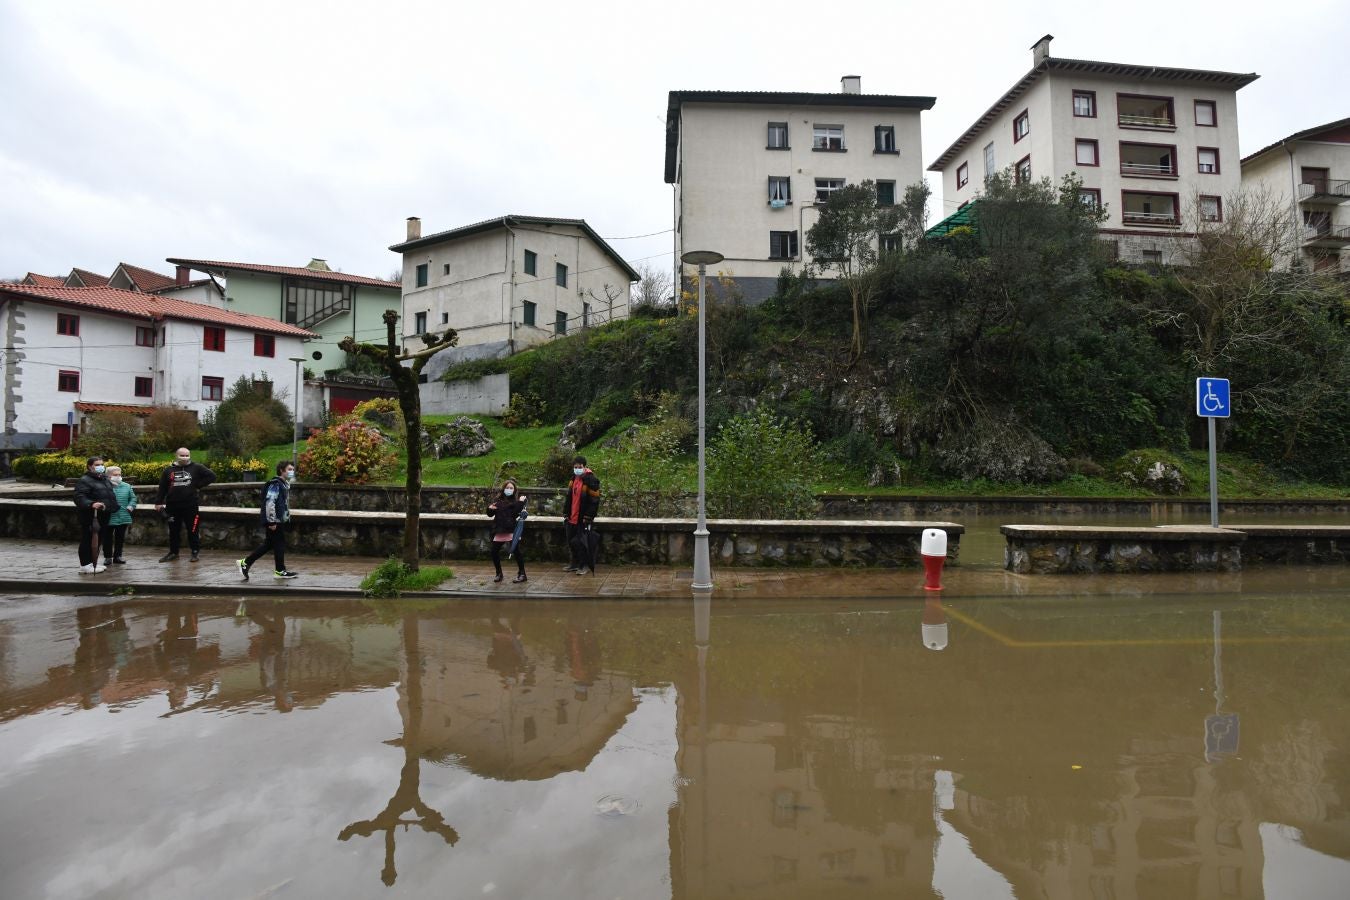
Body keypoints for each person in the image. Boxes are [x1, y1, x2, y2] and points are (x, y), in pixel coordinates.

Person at [238, 460, 298, 580]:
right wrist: (272, 521)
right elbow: (270, 503)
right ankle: (279, 571)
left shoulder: (283, 484)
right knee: (278, 544)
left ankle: (246, 563)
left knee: (270, 544)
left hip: (278, 520)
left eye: (293, 469)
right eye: (289, 469)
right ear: (281, 470)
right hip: (274, 521)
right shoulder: (276, 484)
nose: (292, 472)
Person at [154, 447, 215, 562]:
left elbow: (212, 476)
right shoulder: (168, 470)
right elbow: (162, 487)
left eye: (187, 455)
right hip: (172, 506)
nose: (185, 458)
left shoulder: (197, 467)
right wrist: (158, 502)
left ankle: (195, 552)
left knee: (193, 529)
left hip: (190, 505)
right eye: (182, 455)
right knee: (174, 531)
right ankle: (173, 553)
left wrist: (197, 485)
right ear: (176, 456)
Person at [73, 456, 118, 573]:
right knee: (88, 539)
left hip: (103, 514)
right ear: (89, 466)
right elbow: (79, 497)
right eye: (97, 465)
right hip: (91, 515)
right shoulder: (85, 480)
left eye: (102, 464)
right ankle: (85, 565)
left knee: (98, 539)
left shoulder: (103, 478)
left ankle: (93, 562)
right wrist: (91, 504)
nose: (100, 467)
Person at [561, 456, 600, 574]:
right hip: (572, 517)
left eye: (580, 467)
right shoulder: (573, 479)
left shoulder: (591, 480)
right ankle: (574, 564)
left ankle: (584, 566)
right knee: (571, 542)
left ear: (584, 467)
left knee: (582, 543)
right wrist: (566, 512)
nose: (577, 469)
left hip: (582, 518)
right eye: (575, 467)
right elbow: (569, 497)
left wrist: (588, 516)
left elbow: (594, 501)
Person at [486, 479, 527, 583]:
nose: (509, 489)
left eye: (511, 488)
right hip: (499, 529)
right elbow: (490, 514)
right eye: (507, 487)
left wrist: (521, 502)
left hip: (511, 530)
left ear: (514, 490)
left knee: (517, 552)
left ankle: (522, 574)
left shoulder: (516, 501)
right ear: (504, 489)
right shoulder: (498, 500)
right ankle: (498, 573)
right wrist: (490, 508)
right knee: (494, 552)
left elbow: (515, 513)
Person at [103, 465, 136, 565]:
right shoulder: (104, 486)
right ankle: (108, 557)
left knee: (120, 538)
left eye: (119, 474)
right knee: (107, 538)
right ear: (108, 476)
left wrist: (131, 506)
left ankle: (118, 556)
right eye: (115, 475)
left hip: (123, 515)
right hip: (108, 516)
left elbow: (133, 498)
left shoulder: (127, 486)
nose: (118, 476)